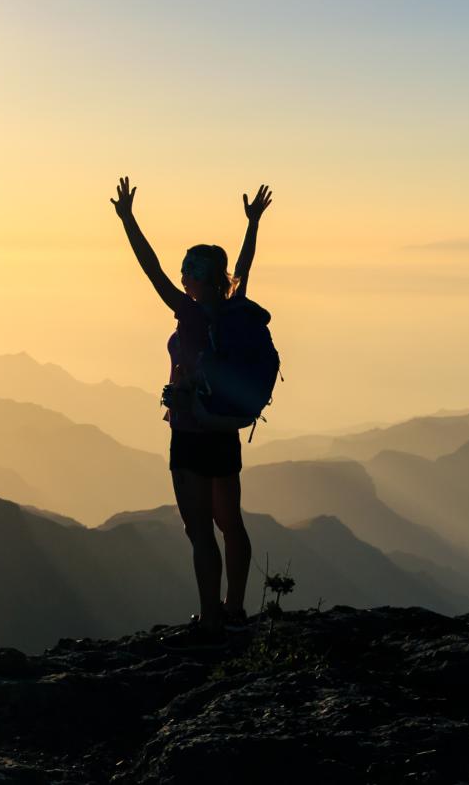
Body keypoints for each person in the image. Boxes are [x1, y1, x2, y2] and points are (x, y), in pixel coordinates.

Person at [111, 176, 272, 645]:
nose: (182, 278)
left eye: (187, 272)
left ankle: (211, 618)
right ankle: (236, 608)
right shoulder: (234, 309)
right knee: (232, 523)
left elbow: (150, 269)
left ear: (193, 276)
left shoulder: (188, 312)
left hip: (188, 430)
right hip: (223, 431)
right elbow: (244, 266)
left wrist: (127, 220)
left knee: (201, 530)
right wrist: (253, 225)